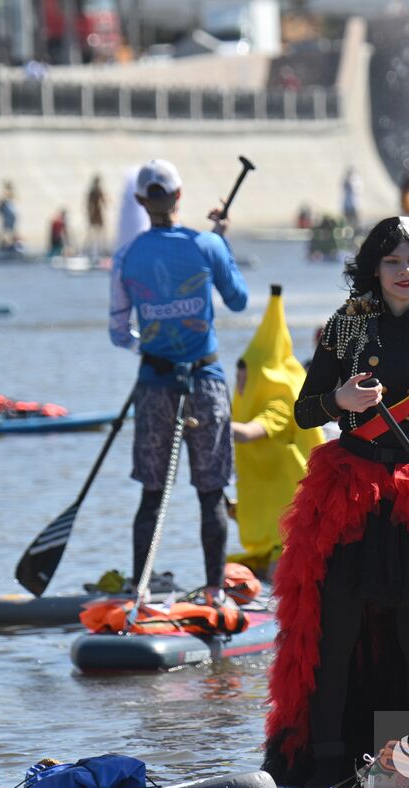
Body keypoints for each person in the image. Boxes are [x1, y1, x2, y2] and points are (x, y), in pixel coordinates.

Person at [262, 216, 409, 788]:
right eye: (393, 262)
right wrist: (340, 399)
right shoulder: (347, 326)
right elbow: (303, 411)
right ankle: (321, 770)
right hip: (349, 497)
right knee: (334, 638)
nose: (405, 272)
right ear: (374, 268)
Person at [110, 159, 248, 604]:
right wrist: (220, 245)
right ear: (180, 197)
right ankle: (214, 591)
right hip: (205, 383)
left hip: (152, 385)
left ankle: (139, 589)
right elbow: (238, 299)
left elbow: (117, 332)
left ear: (140, 202)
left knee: (152, 493)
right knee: (211, 492)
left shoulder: (127, 256)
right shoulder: (206, 244)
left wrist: (150, 345)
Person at [228, 285, 325, 579]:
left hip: (288, 528)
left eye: (245, 376)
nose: (240, 383)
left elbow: (248, 433)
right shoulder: (250, 402)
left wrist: (210, 422)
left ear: (262, 375)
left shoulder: (281, 401)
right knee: (233, 572)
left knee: (277, 577)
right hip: (266, 529)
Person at [84, 175, 108, 263]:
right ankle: (99, 251)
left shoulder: (93, 190)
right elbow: (102, 201)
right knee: (97, 233)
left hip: (95, 212)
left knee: (96, 232)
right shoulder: (96, 190)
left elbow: (89, 203)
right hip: (96, 213)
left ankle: (94, 250)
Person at [0, 181, 21, 252]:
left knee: (10, 231)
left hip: (11, 216)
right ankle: (3, 245)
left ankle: (12, 245)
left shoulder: (10, 196)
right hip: (7, 217)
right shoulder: (3, 198)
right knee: (5, 232)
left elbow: (14, 197)